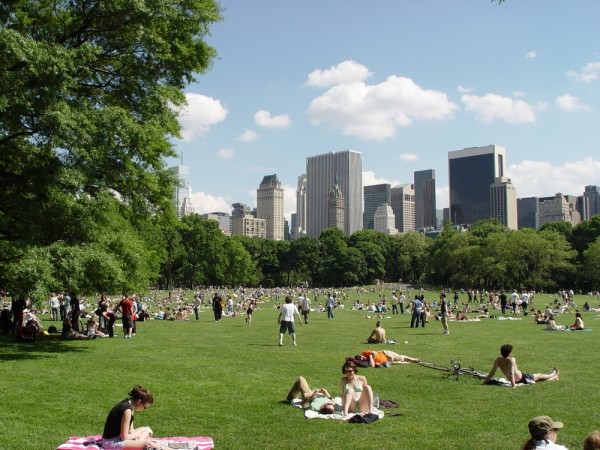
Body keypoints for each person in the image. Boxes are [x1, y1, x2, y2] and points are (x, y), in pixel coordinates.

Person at [102, 385, 167, 450]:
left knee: (147, 429)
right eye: (144, 407)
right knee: (147, 445)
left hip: (118, 438)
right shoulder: (127, 410)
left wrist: (136, 436)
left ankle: (138, 443)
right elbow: (124, 437)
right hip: (111, 442)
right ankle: (162, 448)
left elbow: (130, 431)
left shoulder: (129, 406)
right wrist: (137, 434)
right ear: (139, 402)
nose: (144, 409)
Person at [483, 344, 559, 388]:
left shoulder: (498, 360)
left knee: (538, 379)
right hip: (522, 378)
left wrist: (485, 382)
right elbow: (511, 373)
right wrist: (513, 385)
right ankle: (553, 374)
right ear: (509, 353)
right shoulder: (511, 359)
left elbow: (492, 373)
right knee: (539, 375)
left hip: (513, 379)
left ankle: (554, 378)